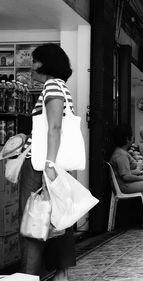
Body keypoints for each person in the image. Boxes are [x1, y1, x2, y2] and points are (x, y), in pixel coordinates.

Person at [18, 44, 76, 280]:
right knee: (56, 221)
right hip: (54, 165)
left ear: (46, 63)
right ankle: (60, 275)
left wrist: (48, 166)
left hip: (41, 165)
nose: (32, 66)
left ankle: (29, 276)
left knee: (33, 224)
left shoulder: (52, 86)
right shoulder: (62, 88)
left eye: (35, 60)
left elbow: (54, 126)